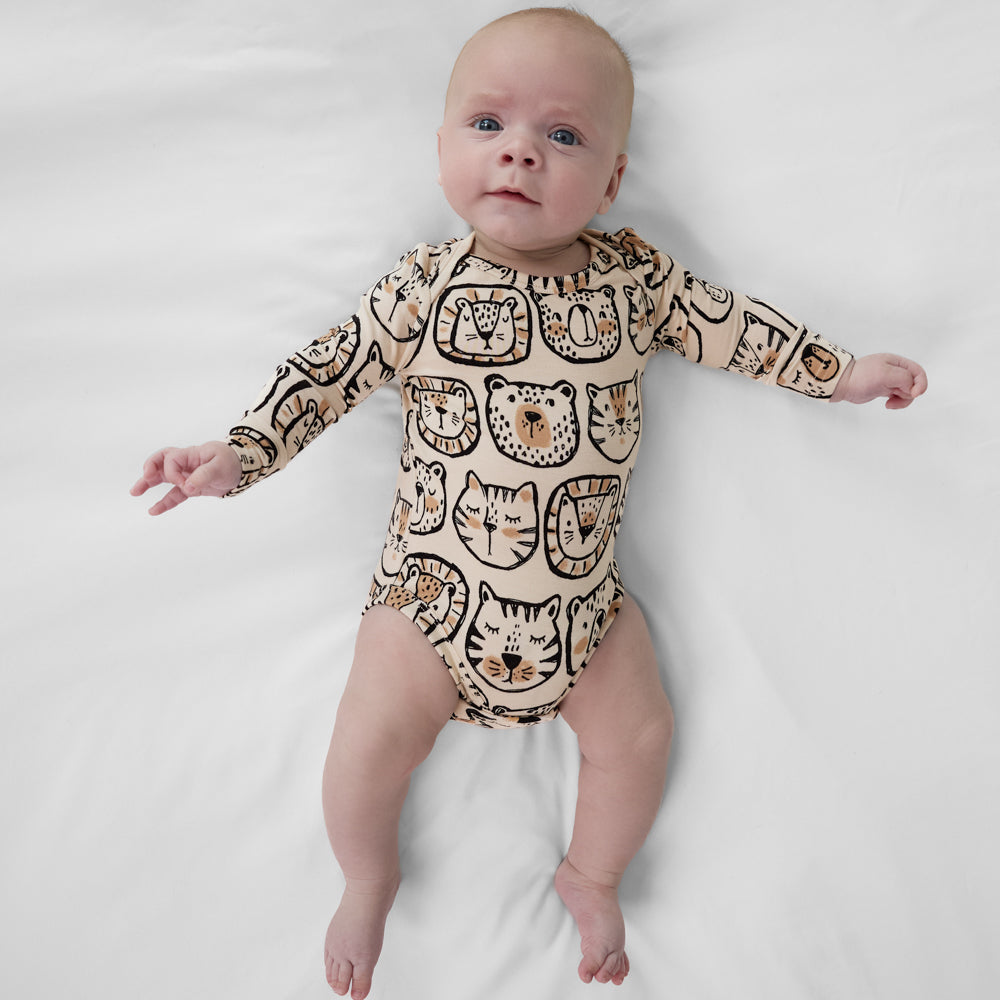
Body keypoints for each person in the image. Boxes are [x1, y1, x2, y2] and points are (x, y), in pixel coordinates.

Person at [130, 8, 928, 998]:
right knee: (364, 743)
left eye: (562, 135)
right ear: (438, 152)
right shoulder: (425, 287)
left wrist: (836, 372)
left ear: (612, 180)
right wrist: (238, 453)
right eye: (486, 126)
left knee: (640, 736)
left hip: (584, 620)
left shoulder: (635, 281)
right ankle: (365, 877)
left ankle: (590, 874)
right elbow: (326, 373)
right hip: (428, 607)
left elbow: (733, 326)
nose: (518, 152)